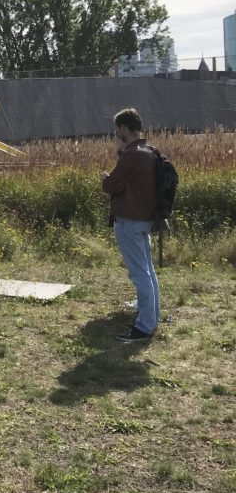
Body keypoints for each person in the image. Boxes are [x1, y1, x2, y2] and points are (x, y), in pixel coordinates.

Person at [101, 108, 160, 343]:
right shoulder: (150, 151)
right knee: (147, 270)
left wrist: (106, 179)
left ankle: (144, 327)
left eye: (117, 130)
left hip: (129, 221)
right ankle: (151, 317)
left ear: (124, 128)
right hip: (144, 219)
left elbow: (111, 186)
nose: (116, 134)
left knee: (139, 274)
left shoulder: (133, 154)